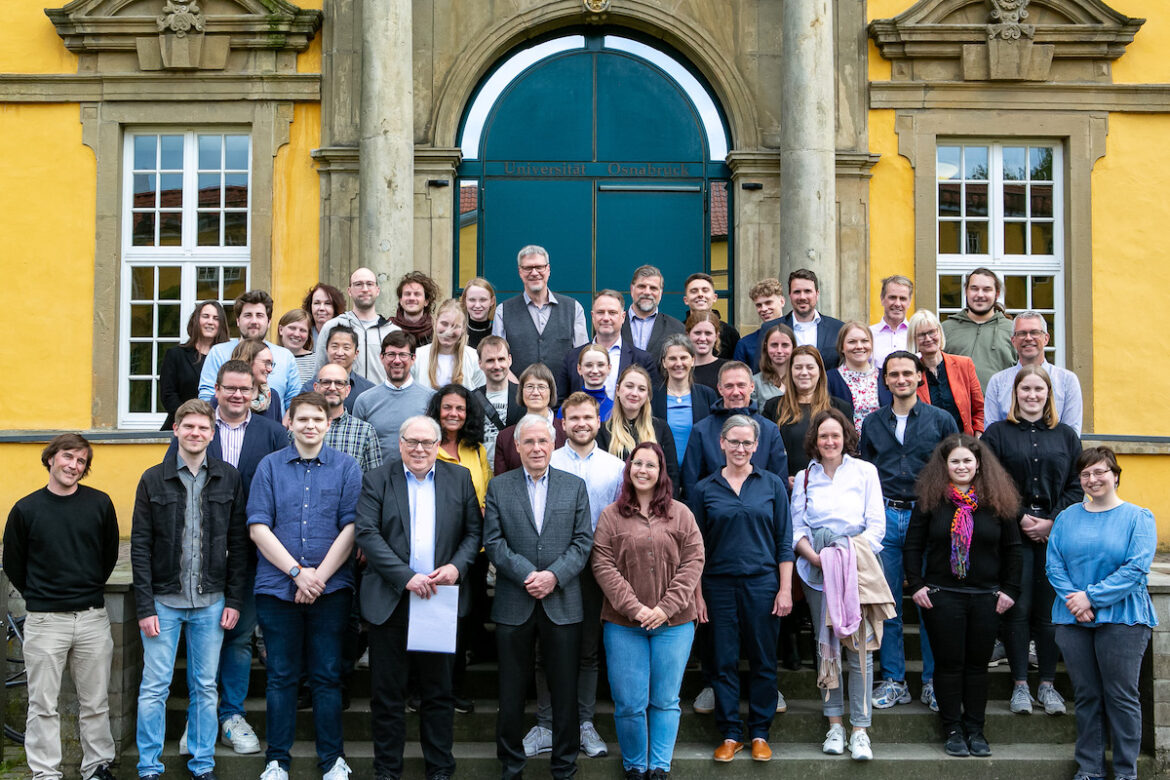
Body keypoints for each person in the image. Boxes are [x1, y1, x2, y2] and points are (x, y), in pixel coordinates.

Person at [354, 415, 483, 780]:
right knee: (387, 695)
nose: (420, 449)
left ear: (439, 444)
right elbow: (367, 533)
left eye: (428, 443)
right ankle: (387, 771)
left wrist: (457, 567)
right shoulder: (378, 479)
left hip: (438, 601)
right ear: (400, 443)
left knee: (438, 692)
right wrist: (406, 577)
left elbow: (474, 532)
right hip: (390, 600)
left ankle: (440, 769)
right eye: (412, 441)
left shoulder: (459, 479)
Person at [248, 392, 363, 780]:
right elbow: (258, 526)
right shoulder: (269, 467)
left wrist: (319, 578)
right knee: (281, 676)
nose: (310, 426)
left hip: (331, 591)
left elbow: (351, 528)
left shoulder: (347, 467)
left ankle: (332, 760)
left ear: (328, 424)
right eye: (303, 420)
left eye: (318, 419)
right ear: (289, 423)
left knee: (327, 675)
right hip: (277, 589)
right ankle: (276, 760)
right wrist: (298, 573)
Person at [131, 399, 248, 780]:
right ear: (176, 430)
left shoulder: (228, 477)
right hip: (163, 602)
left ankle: (202, 764)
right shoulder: (152, 478)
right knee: (155, 687)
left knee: (205, 687)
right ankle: (149, 766)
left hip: (212, 601)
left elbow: (238, 543)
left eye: (203, 428)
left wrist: (233, 599)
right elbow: (141, 546)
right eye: (189, 427)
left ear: (212, 434)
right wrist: (144, 606)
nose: (196, 433)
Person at [482, 414, 594, 780]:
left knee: (564, 692)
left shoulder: (574, 486)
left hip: (562, 602)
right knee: (511, 692)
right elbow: (494, 542)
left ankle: (564, 767)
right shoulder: (499, 487)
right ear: (516, 446)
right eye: (528, 442)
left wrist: (553, 576)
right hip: (515, 601)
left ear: (554, 444)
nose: (536, 448)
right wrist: (528, 574)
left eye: (542, 441)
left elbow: (583, 542)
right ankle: (511, 766)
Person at [3, 434, 119, 780]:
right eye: (68, 457)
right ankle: (45, 773)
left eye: (82, 461)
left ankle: (97, 768)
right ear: (50, 459)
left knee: (96, 703)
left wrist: (83, 589)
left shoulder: (100, 504)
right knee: (42, 705)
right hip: (44, 621)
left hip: (92, 618)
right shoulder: (26, 509)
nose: (74, 465)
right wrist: (42, 595)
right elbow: (14, 563)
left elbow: (108, 556)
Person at [592, 441, 705, 779]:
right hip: (623, 624)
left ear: (661, 472)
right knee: (629, 703)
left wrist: (665, 608)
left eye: (650, 465)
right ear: (629, 470)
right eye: (637, 464)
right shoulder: (611, 516)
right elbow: (602, 564)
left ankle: (659, 766)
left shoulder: (681, 513)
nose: (643, 470)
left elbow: (694, 561)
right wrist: (636, 609)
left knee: (666, 700)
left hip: (675, 624)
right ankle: (635, 766)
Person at [905, 434, 1021, 758]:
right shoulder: (931, 499)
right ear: (945, 465)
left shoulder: (999, 501)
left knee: (977, 667)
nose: (961, 466)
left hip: (986, 597)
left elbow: (1013, 550)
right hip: (943, 596)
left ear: (978, 464)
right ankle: (952, 728)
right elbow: (913, 545)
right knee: (949, 664)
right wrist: (916, 585)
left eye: (967, 460)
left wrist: (1010, 591)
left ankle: (976, 729)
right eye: (954, 461)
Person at [525, 392, 625, 760]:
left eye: (588, 417)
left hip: (595, 571)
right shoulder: (547, 461)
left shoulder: (615, 467)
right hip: (549, 570)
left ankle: (583, 723)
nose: (581, 424)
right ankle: (546, 725)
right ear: (562, 424)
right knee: (543, 651)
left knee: (587, 652)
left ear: (599, 422)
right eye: (574, 418)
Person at [1047, 446, 1157, 780]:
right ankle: (1089, 770)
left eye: (1100, 472)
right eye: (1085, 474)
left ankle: (1125, 772)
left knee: (1122, 696)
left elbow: (1136, 568)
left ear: (1115, 476)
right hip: (1072, 619)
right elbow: (1054, 565)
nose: (1093, 479)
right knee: (1086, 696)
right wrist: (1075, 601)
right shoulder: (1066, 517)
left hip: (1123, 617)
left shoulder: (1139, 517)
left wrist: (1090, 598)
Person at [859, 351, 959, 712]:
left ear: (919, 376)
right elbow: (865, 471)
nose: (900, 379)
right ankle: (894, 680)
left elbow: (956, 467)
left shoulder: (941, 420)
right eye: (893, 374)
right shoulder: (872, 422)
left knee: (929, 600)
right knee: (887, 605)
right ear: (884, 380)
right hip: (884, 517)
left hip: (927, 517)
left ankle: (932, 682)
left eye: (907, 373)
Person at [691, 415, 793, 763]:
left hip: (763, 584)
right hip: (717, 586)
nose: (740, 448)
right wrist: (697, 594)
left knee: (764, 660)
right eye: (734, 442)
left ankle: (761, 733)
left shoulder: (772, 485)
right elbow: (695, 549)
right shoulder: (704, 489)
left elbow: (784, 541)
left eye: (747, 442)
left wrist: (785, 589)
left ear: (756, 445)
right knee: (722, 661)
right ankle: (731, 733)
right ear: (722, 443)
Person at [983, 366, 1082, 716]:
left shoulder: (1066, 436)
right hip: (1013, 532)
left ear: (1049, 394)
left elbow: (1077, 483)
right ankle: (1021, 685)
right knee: (1019, 607)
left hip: (1056, 534)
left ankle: (1048, 685)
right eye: (1025, 389)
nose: (1032, 395)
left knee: (1050, 609)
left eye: (1039, 389)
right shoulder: (997, 433)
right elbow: (990, 480)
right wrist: (1022, 515)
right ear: (1015, 393)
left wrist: (1052, 520)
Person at [791, 408, 888, 762]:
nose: (829, 441)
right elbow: (797, 528)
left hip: (856, 565)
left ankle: (860, 730)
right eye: (823, 436)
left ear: (846, 437)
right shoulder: (804, 477)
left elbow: (877, 527)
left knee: (858, 651)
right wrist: (814, 557)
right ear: (814, 441)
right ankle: (834, 725)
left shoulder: (865, 472)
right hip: (817, 569)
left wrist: (847, 557)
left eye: (835, 435)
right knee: (825, 645)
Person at [681, 361, 789, 492]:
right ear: (720, 389)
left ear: (752, 386)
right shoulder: (701, 431)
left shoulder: (769, 430)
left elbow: (779, 483)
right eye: (729, 386)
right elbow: (691, 483)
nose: (736, 392)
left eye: (741, 385)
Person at [492, 244, 589, 375]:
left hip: (563, 394)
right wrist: (516, 388)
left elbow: (582, 359)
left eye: (539, 267)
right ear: (520, 271)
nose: (534, 272)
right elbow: (498, 361)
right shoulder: (503, 311)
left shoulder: (573, 308)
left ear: (548, 269)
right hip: (518, 394)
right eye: (528, 268)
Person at [198, 290, 301, 410]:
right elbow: (207, 397)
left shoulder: (285, 356)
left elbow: (294, 401)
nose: (254, 321)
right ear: (238, 321)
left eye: (259, 315)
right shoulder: (218, 353)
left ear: (269, 322)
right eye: (248, 315)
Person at [763, 346, 854, 482]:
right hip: (786, 487)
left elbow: (849, 450)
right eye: (798, 367)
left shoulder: (840, 408)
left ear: (820, 371)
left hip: (829, 486)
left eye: (810, 367)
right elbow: (765, 451)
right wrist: (782, 479)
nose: (804, 372)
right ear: (791, 371)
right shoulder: (773, 407)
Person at [984, 311, 1083, 434]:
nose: (1028, 338)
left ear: (1046, 338)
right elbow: (991, 434)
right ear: (1013, 341)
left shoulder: (1067, 381)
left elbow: (1071, 435)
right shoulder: (997, 382)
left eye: (1035, 332)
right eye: (1022, 333)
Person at [557, 289, 657, 402]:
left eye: (612, 313)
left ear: (623, 317)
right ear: (593, 316)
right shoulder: (572, 357)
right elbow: (561, 403)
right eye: (600, 312)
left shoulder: (643, 360)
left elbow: (652, 405)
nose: (606, 318)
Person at [353, 332, 436, 458]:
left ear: (413, 358)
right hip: (376, 476)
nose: (397, 361)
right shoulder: (364, 401)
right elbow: (357, 449)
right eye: (391, 354)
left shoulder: (430, 398)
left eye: (403, 355)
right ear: (382, 357)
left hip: (418, 475)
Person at [599, 365, 680, 490]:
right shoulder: (603, 430)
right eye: (629, 386)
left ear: (647, 395)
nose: (634, 393)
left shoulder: (661, 428)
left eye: (641, 389)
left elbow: (671, 475)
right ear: (618, 390)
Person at [315, 268, 401, 385]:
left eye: (369, 284)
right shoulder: (331, 327)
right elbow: (319, 371)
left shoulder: (393, 331)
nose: (364, 289)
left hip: (380, 401)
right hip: (341, 399)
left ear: (377, 290)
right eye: (358, 284)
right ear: (349, 291)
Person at [907, 310, 985, 436]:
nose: (928, 339)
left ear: (939, 332)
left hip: (963, 445)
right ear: (913, 339)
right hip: (928, 449)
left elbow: (979, 409)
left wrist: (977, 437)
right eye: (921, 335)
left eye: (932, 332)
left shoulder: (964, 365)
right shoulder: (910, 374)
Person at [651, 334, 718, 470]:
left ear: (692, 360)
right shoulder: (652, 396)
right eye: (672, 358)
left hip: (699, 474)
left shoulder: (707, 395)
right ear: (664, 362)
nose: (678, 363)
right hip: (661, 474)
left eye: (683, 358)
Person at [940, 268, 1016, 389]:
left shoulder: (1012, 330)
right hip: (954, 407)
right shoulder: (946, 329)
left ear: (996, 294)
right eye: (974, 288)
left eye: (987, 289)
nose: (980, 295)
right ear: (966, 291)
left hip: (1000, 406)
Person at [160, 300, 230, 429]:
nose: (210, 322)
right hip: (182, 426)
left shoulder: (228, 356)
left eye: (216, 318)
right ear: (196, 320)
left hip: (221, 427)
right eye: (205, 316)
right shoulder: (176, 355)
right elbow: (168, 395)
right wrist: (191, 418)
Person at [493, 363, 566, 474]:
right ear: (521, 392)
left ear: (551, 392)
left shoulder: (567, 431)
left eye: (541, 387)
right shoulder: (505, 438)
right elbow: (501, 486)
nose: (535, 392)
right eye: (529, 387)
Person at [427, 383, 491, 507]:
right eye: (447, 407)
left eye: (460, 408)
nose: (453, 413)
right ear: (437, 410)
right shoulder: (427, 451)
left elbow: (486, 494)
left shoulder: (478, 450)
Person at [768, 268, 846, 369]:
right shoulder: (770, 328)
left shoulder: (838, 329)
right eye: (797, 292)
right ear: (790, 295)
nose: (802, 297)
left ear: (817, 294)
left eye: (807, 291)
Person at [315, 363, 384, 473]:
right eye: (326, 382)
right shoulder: (301, 429)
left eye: (339, 383)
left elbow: (374, 481)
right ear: (316, 388)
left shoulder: (365, 431)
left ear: (347, 390)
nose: (332, 388)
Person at [827, 321, 891, 432]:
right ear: (842, 347)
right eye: (852, 342)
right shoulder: (829, 379)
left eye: (865, 341)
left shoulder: (886, 377)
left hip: (882, 446)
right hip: (846, 446)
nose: (859, 346)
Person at [413, 299, 486, 391]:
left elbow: (481, 396)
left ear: (463, 328)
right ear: (435, 322)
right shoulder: (418, 356)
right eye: (444, 324)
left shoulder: (474, 358)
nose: (449, 331)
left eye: (455, 326)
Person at [300, 325, 376, 412]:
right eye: (334, 346)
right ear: (327, 350)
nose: (339, 353)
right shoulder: (309, 388)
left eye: (346, 348)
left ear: (356, 353)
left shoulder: (368, 391)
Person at [473, 336, 523, 465]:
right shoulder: (470, 399)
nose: (497, 366)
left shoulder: (524, 396)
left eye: (501, 359)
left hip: (514, 471)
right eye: (490, 360)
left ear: (509, 360)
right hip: (481, 471)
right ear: (480, 363)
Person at [622, 265, 685, 359]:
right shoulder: (614, 323)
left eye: (653, 288)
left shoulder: (677, 328)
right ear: (632, 289)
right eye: (642, 286)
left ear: (661, 293)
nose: (647, 292)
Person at [732, 278, 786, 372]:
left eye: (768, 302)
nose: (764, 309)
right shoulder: (745, 344)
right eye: (759, 305)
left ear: (782, 301)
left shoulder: (799, 334)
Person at [683, 272, 739, 359]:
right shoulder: (677, 330)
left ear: (715, 297)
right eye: (694, 291)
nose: (700, 294)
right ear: (686, 300)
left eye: (705, 290)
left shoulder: (730, 333)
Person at [229, 338, 282, 423]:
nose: (270, 369)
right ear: (247, 362)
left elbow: (278, 434)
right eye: (266, 363)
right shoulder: (224, 399)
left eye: (271, 364)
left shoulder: (273, 397)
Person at [559, 344, 613, 422]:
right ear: (579, 369)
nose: (595, 370)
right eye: (588, 365)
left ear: (609, 368)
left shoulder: (616, 410)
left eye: (600, 365)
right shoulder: (567, 408)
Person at [870, 275, 913, 366]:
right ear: (882, 299)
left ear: (909, 302)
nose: (897, 304)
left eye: (902, 299)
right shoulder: (868, 335)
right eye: (892, 297)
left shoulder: (916, 335)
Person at [391, 270, 440, 347]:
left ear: (426, 301)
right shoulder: (388, 328)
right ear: (400, 300)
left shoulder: (437, 330)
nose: (412, 298)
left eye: (417, 294)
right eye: (407, 294)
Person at [752, 323, 795, 404]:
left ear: (793, 347)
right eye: (774, 345)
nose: (779, 350)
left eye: (785, 345)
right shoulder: (755, 383)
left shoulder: (801, 380)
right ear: (766, 346)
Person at [685, 310, 727, 390]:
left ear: (716, 336)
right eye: (697, 333)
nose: (702, 338)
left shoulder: (726, 369)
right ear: (688, 335)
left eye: (708, 333)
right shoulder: (679, 368)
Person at [276, 308, 316, 386]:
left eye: (303, 330)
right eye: (292, 328)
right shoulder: (270, 358)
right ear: (281, 330)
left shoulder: (317, 361)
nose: (297, 334)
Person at [461, 276, 497, 349]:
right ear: (465, 301)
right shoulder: (457, 333)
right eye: (472, 300)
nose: (477, 305)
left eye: (483, 300)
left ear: (492, 301)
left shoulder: (498, 333)